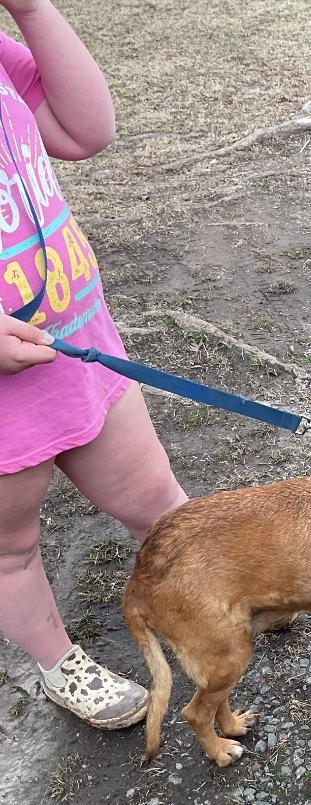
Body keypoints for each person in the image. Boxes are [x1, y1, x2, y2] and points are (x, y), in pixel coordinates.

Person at [0, 0, 187, 728]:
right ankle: (59, 663)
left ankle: (197, 596)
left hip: (79, 343)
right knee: (11, 550)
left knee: (158, 502)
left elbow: (84, 131)